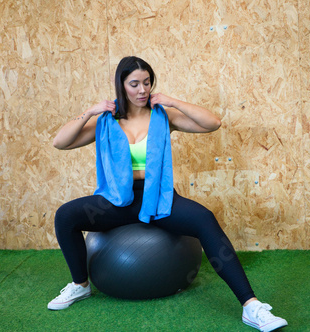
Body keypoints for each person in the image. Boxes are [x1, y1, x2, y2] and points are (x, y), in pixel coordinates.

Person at [49, 56, 288, 332]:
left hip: (157, 198)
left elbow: (213, 123)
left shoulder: (163, 116)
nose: (142, 90)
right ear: (121, 85)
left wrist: (172, 101)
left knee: (204, 219)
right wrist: (90, 111)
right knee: (65, 216)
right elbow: (60, 142)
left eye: (147, 83)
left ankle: (251, 306)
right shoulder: (106, 121)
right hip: (116, 201)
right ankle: (80, 285)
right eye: (134, 84)